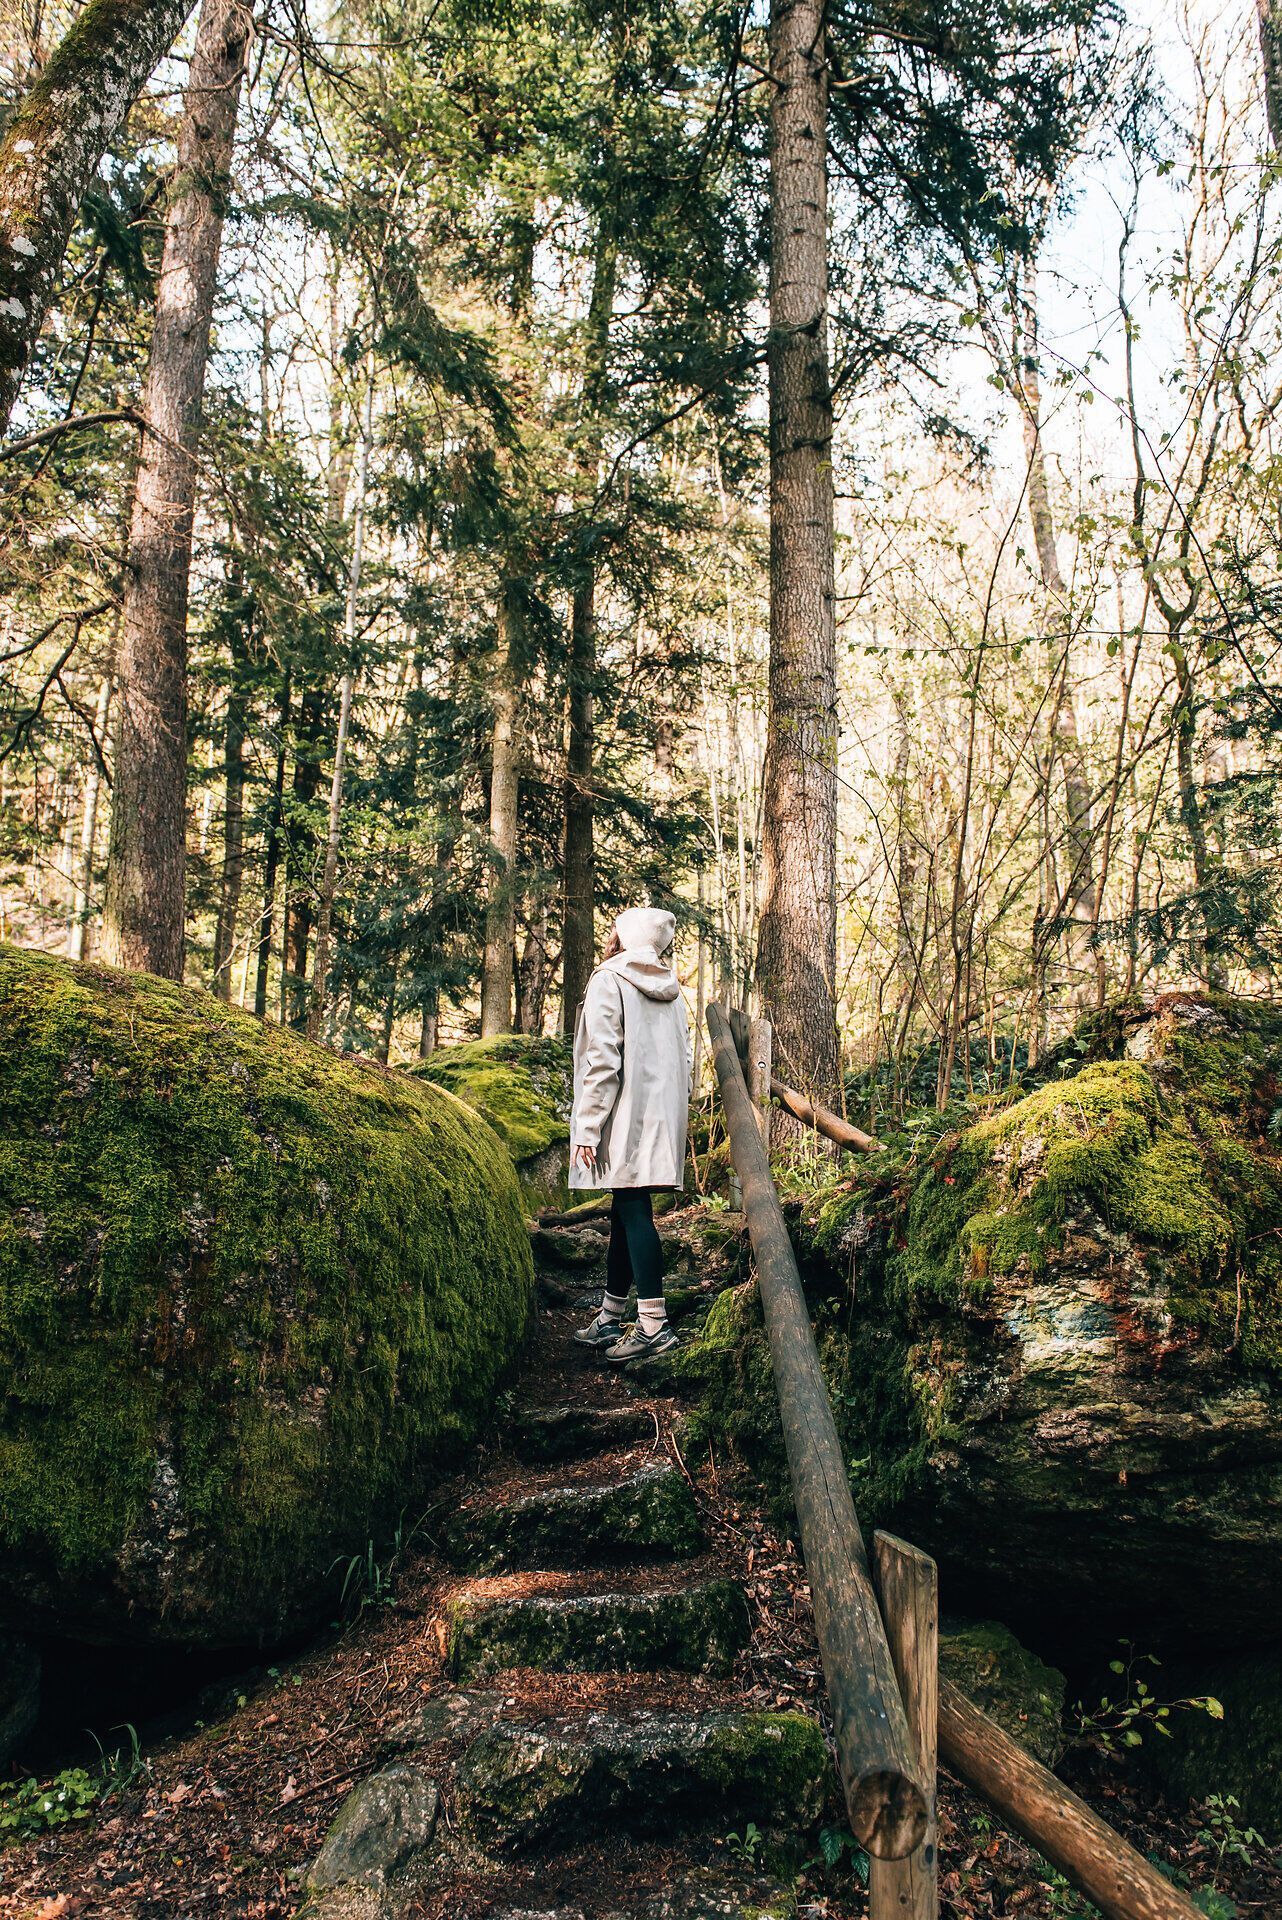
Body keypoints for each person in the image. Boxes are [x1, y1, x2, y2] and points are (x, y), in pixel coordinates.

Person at [569, 906, 691, 1363]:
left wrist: (587, 1126)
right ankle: (610, 1315)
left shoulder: (609, 979)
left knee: (635, 1210)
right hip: (660, 1116)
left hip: (623, 1115)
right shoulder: (672, 989)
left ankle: (654, 1325)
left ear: (623, 937)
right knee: (626, 1207)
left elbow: (602, 1059)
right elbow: (686, 1061)